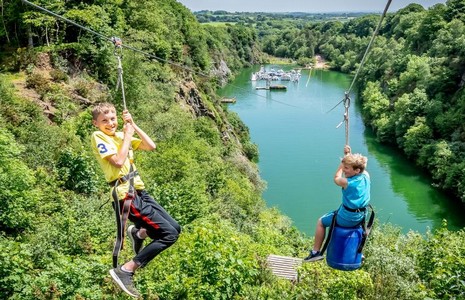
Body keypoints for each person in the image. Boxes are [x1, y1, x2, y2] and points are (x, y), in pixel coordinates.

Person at [91, 103, 181, 297]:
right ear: (95, 123)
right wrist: (127, 136)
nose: (110, 123)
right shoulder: (98, 137)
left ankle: (139, 233)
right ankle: (125, 270)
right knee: (168, 235)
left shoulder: (121, 136)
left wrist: (133, 125)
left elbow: (151, 145)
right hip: (125, 195)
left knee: (176, 228)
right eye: (104, 120)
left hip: (140, 191)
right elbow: (118, 161)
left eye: (113, 119)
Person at [304, 145, 370, 262]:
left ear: (357, 170)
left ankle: (315, 252)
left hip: (347, 218)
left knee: (321, 222)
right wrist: (348, 156)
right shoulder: (366, 176)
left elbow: (336, 177)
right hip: (361, 217)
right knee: (357, 226)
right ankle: (358, 251)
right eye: (344, 167)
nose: (344, 170)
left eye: (346, 168)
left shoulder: (347, 182)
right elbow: (357, 166)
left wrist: (341, 164)